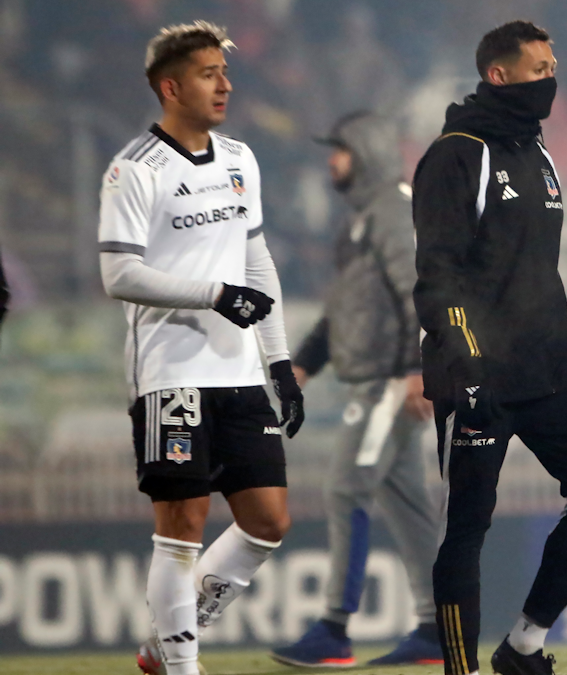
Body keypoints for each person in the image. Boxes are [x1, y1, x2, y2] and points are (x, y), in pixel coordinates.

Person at [412, 20, 567, 675]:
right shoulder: (455, 154)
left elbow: (537, 272)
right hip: (477, 370)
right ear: (499, 74)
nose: (552, 81)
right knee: (469, 522)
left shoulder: (540, 155)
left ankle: (524, 644)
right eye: (539, 69)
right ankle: (460, 669)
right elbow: (437, 275)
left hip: (546, 368)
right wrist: (466, 366)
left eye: (554, 67)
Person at [97, 21, 304, 675]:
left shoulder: (241, 159)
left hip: (240, 374)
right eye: (210, 73)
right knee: (181, 523)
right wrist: (214, 293)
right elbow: (119, 274)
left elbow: (256, 259)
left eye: (224, 70)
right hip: (170, 373)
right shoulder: (134, 169)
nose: (225, 84)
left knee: (268, 521)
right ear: (171, 86)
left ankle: (165, 641)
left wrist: (278, 362)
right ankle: (182, 667)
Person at [269, 112, 441, 667]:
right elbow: (346, 308)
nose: (331, 161)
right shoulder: (364, 218)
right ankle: (440, 628)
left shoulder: (392, 210)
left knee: (346, 489)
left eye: (338, 149)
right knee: (410, 506)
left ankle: (335, 629)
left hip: (389, 385)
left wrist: (419, 367)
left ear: (363, 151)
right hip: (378, 379)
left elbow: (420, 287)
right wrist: (304, 364)